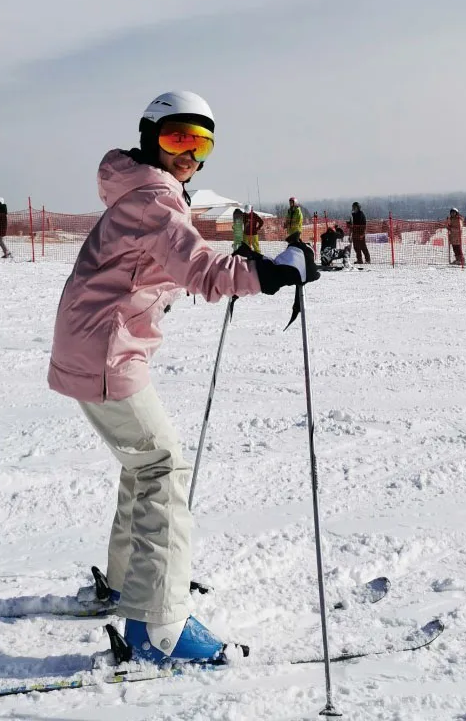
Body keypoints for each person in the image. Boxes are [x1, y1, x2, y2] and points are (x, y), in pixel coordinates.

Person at [47, 91, 313, 666]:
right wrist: (268, 272)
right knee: (163, 466)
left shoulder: (142, 191)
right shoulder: (151, 198)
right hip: (104, 349)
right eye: (177, 139)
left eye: (201, 143)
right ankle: (158, 627)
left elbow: (178, 253)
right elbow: (199, 269)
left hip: (97, 342)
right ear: (150, 138)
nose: (188, 154)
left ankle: (128, 585)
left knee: (144, 462)